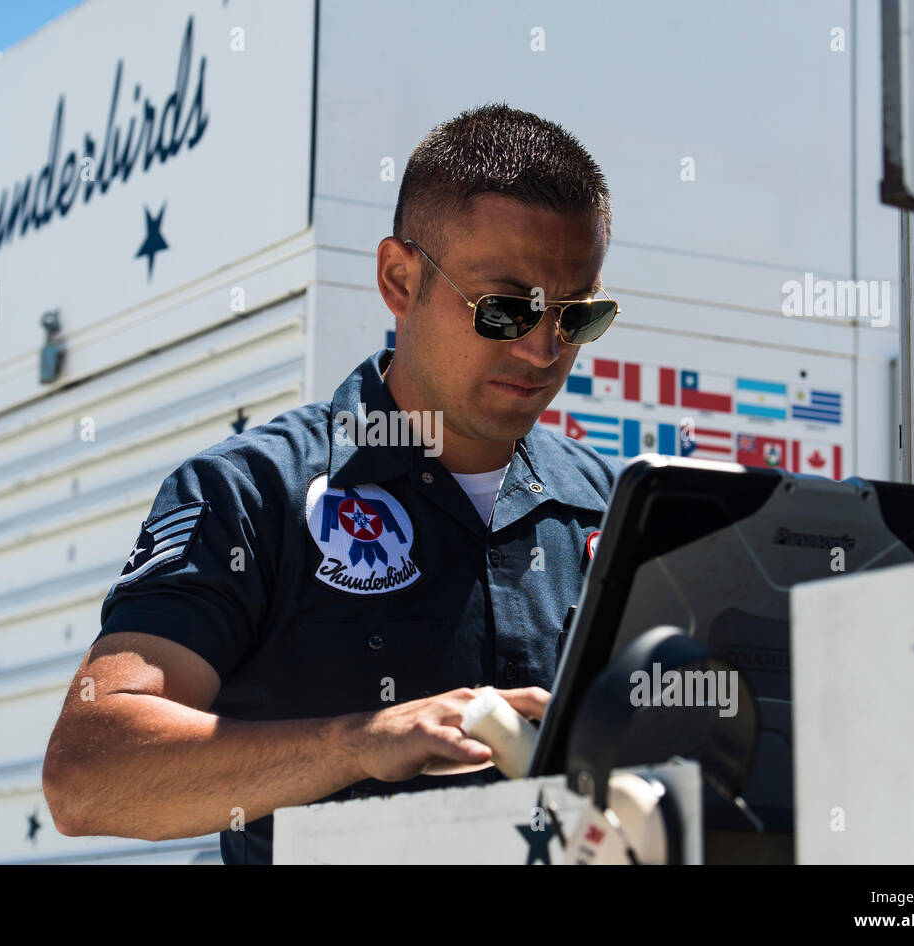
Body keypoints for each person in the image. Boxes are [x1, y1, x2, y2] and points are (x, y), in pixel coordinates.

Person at [42, 102, 625, 864]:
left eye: (578, 315)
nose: (546, 349)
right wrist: (363, 740)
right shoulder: (254, 492)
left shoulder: (612, 508)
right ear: (399, 278)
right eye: (507, 310)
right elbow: (87, 772)